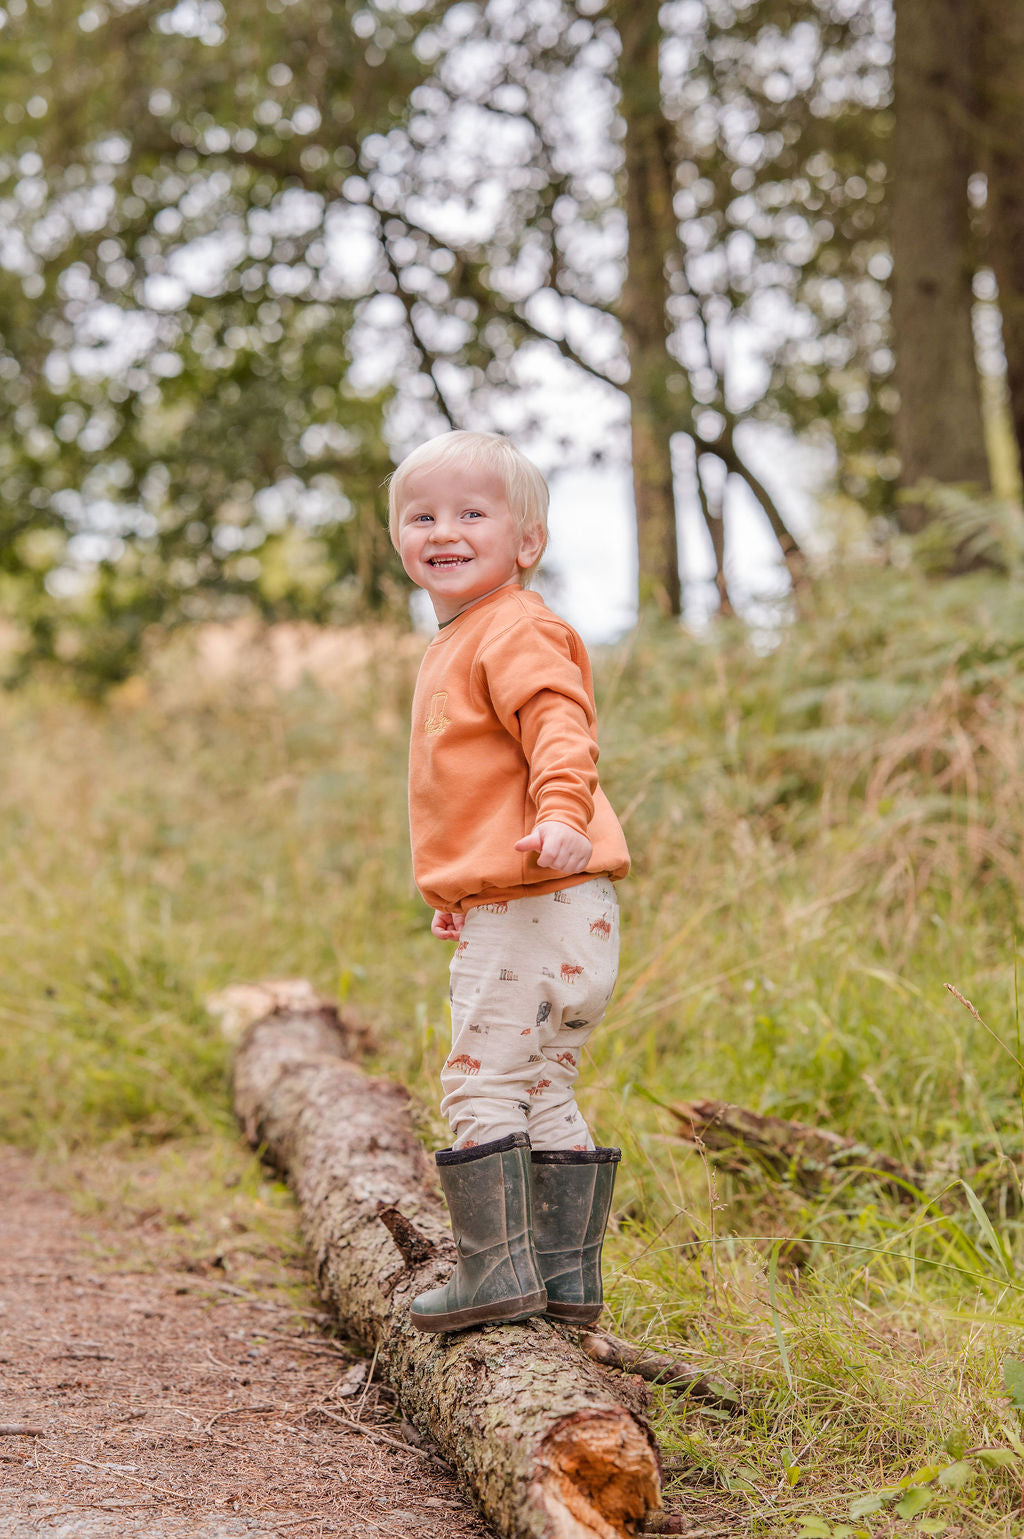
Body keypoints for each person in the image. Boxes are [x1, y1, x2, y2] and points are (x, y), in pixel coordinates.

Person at [388, 429, 630, 1334]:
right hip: (556, 907)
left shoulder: (512, 624)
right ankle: (564, 1280)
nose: (443, 530)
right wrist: (463, 893)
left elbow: (560, 723)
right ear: (398, 537)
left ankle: (494, 1273)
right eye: (421, 516)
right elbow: (477, 791)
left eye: (471, 513)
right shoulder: (466, 634)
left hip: (538, 894)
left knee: (480, 1084)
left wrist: (563, 812)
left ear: (528, 542)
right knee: (543, 1086)